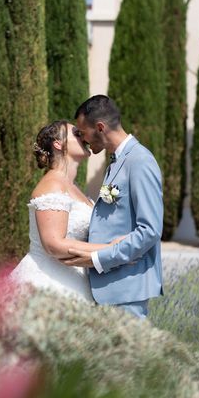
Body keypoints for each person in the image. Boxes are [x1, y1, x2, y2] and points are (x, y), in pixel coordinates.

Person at [62, 95, 163, 318]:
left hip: (126, 291)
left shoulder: (140, 161)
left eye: (82, 132)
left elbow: (150, 231)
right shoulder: (119, 160)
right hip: (110, 289)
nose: (82, 139)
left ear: (100, 127)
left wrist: (98, 258)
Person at [9, 120, 123, 302]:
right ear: (58, 144)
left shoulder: (73, 187)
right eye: (77, 134)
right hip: (47, 285)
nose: (85, 137)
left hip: (75, 281)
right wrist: (110, 250)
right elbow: (54, 245)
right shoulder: (53, 184)